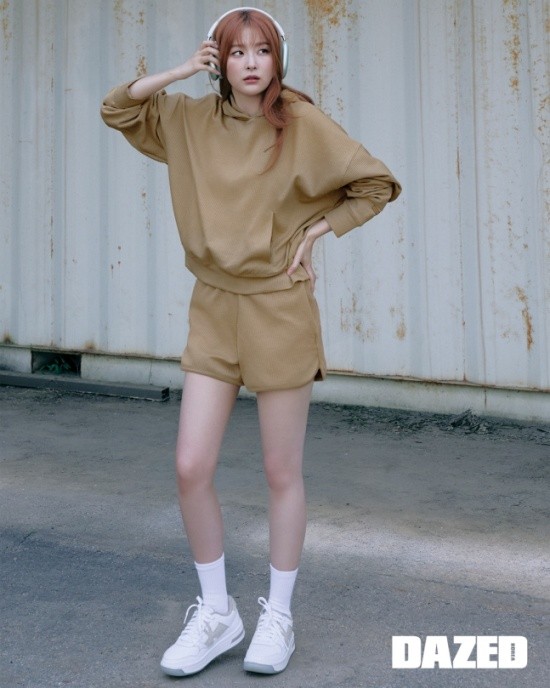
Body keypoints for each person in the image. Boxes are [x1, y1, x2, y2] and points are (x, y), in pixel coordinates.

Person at [101, 6, 401, 677]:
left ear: (278, 58)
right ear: (218, 60)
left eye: (261, 50)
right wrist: (181, 70)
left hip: (277, 309)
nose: (250, 64)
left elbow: (375, 184)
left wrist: (316, 232)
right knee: (190, 466)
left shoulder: (300, 124)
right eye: (235, 52)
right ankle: (217, 613)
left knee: (279, 470)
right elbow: (118, 108)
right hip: (213, 307)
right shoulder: (188, 121)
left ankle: (279, 617)